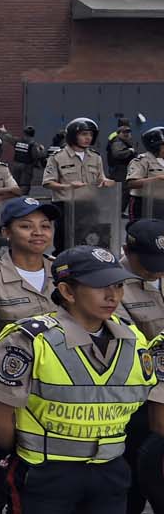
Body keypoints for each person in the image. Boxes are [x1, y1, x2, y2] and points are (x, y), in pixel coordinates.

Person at [0, 245, 160, 514]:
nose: (112, 295)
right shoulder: (30, 339)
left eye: (118, 285)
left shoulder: (133, 339)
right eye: (99, 286)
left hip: (110, 471)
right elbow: (0, 422)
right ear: (67, 291)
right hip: (47, 472)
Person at [0, 197, 59, 366]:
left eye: (45, 226)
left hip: (63, 378)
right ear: (6, 232)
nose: (38, 232)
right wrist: (5, 384)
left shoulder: (62, 271)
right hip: (15, 378)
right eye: (26, 226)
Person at [115, 219, 164, 514]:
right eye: (148, 264)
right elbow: (130, 347)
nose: (157, 270)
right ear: (127, 252)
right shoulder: (112, 286)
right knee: (131, 482)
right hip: (138, 401)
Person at [126, 126, 164, 222]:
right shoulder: (142, 161)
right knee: (141, 232)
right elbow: (132, 183)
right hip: (142, 203)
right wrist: (158, 178)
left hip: (161, 204)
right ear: (155, 146)